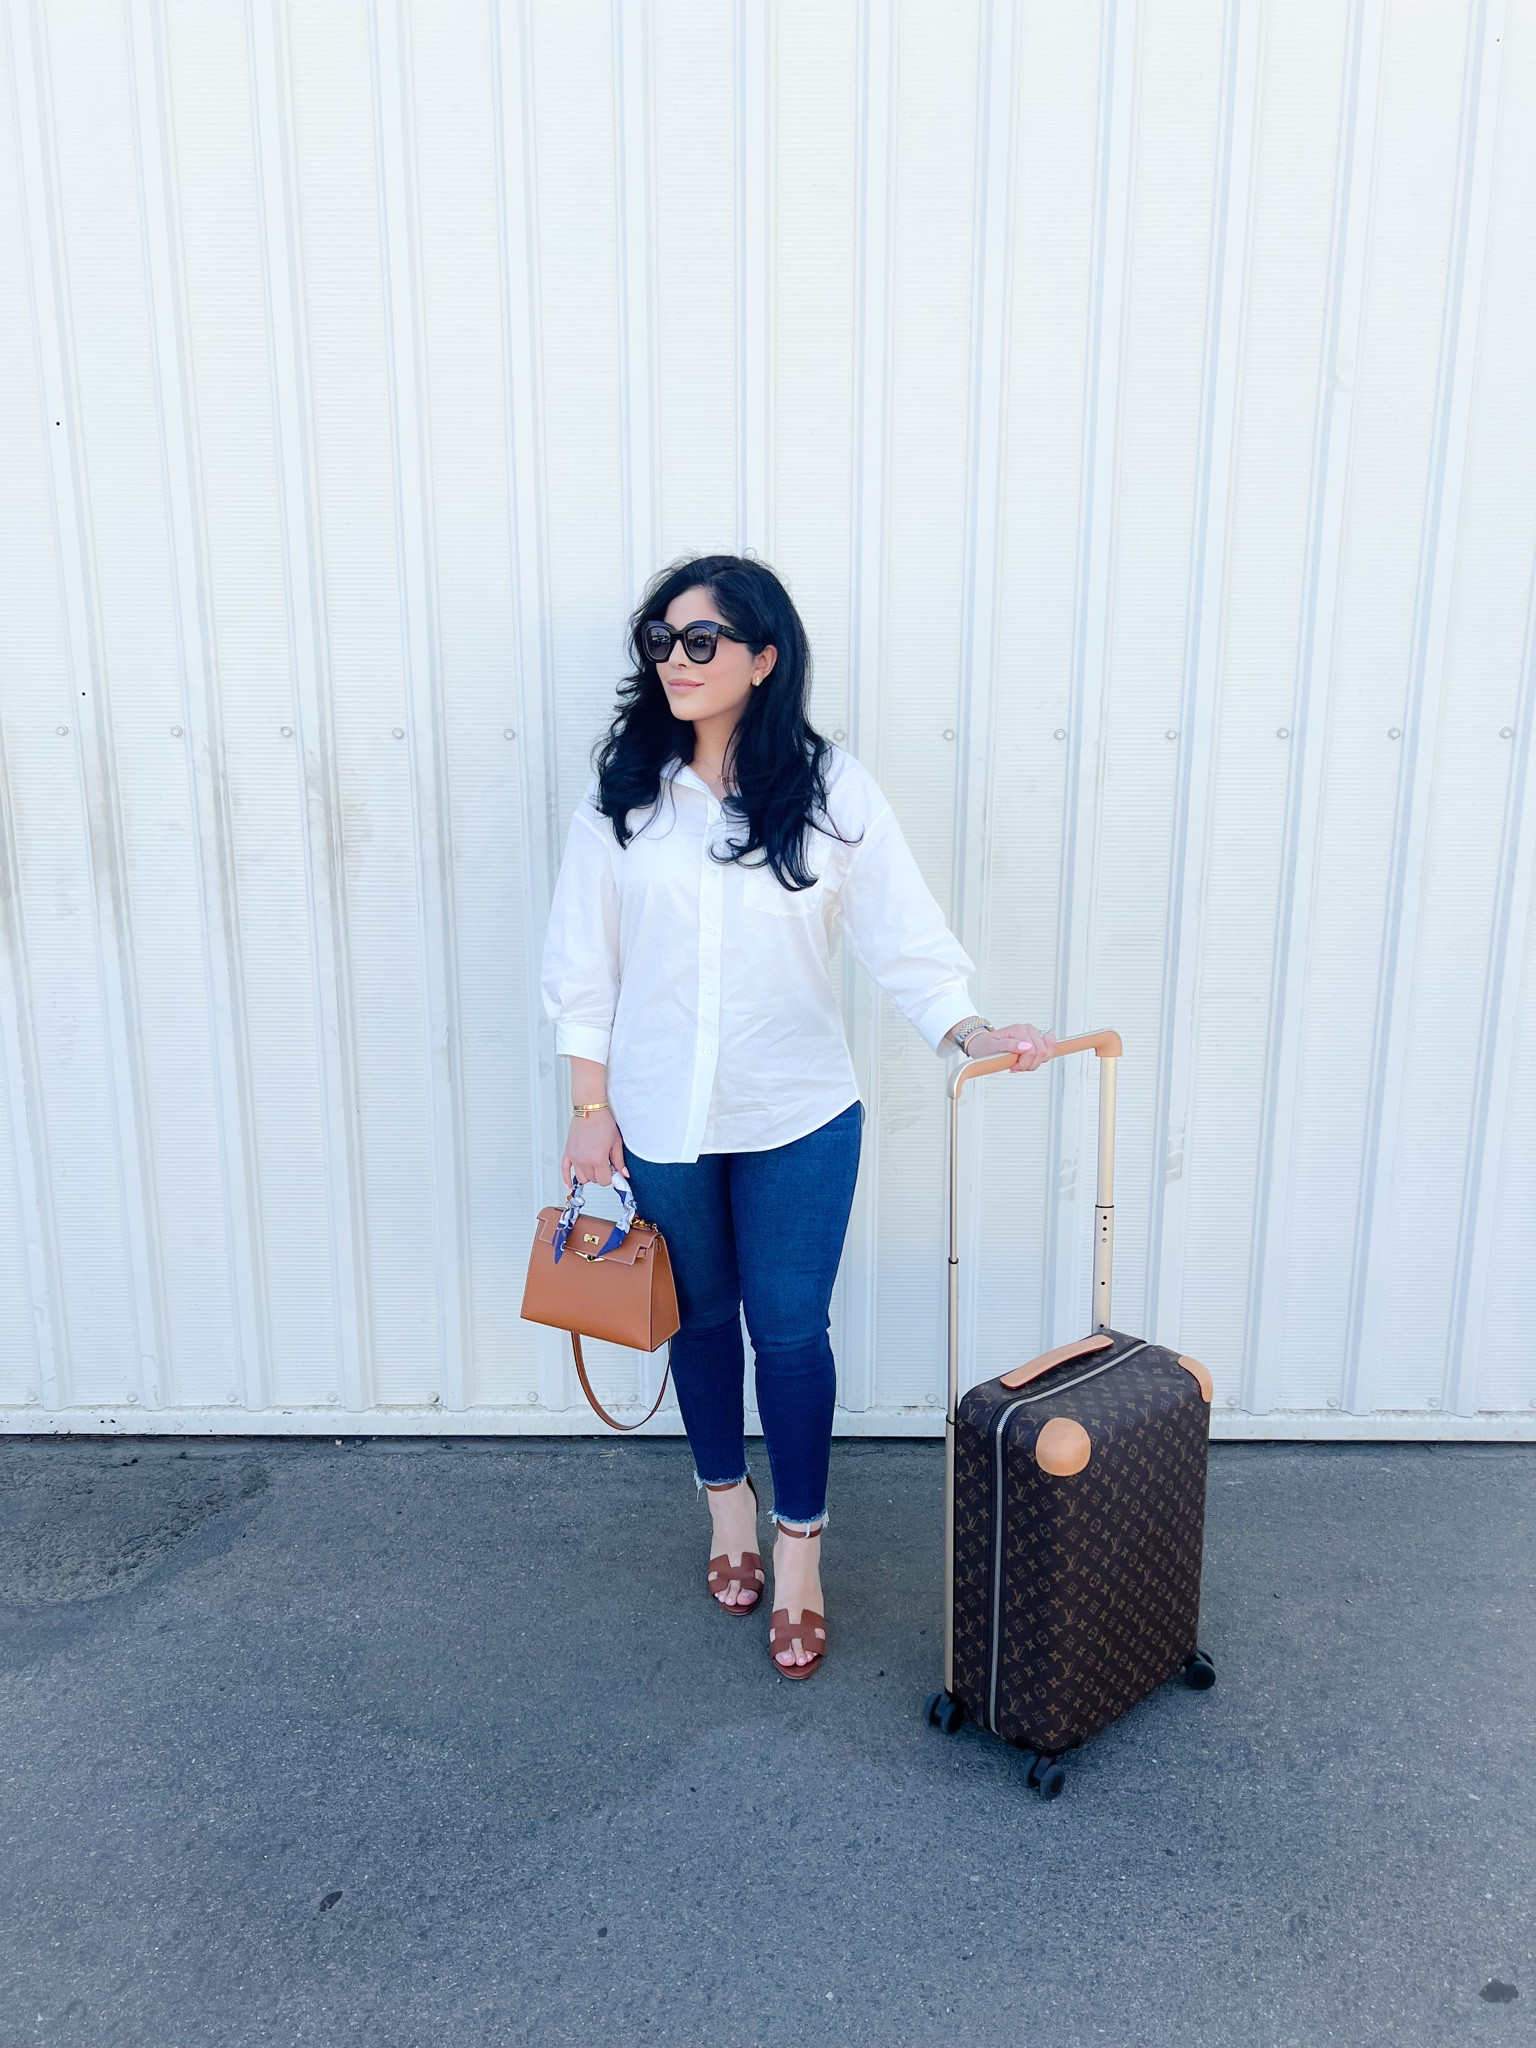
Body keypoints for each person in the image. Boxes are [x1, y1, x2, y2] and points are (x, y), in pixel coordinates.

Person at [539, 554, 1055, 1681]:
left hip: (801, 1114)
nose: (676, 660)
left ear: (763, 657)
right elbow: (582, 969)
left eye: (702, 641)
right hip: (662, 1117)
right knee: (701, 1323)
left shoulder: (830, 791)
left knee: (789, 1331)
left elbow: (904, 940)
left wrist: (972, 1029)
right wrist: (589, 1106)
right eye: (661, 641)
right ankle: (728, 1513)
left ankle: (802, 1552)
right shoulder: (623, 798)